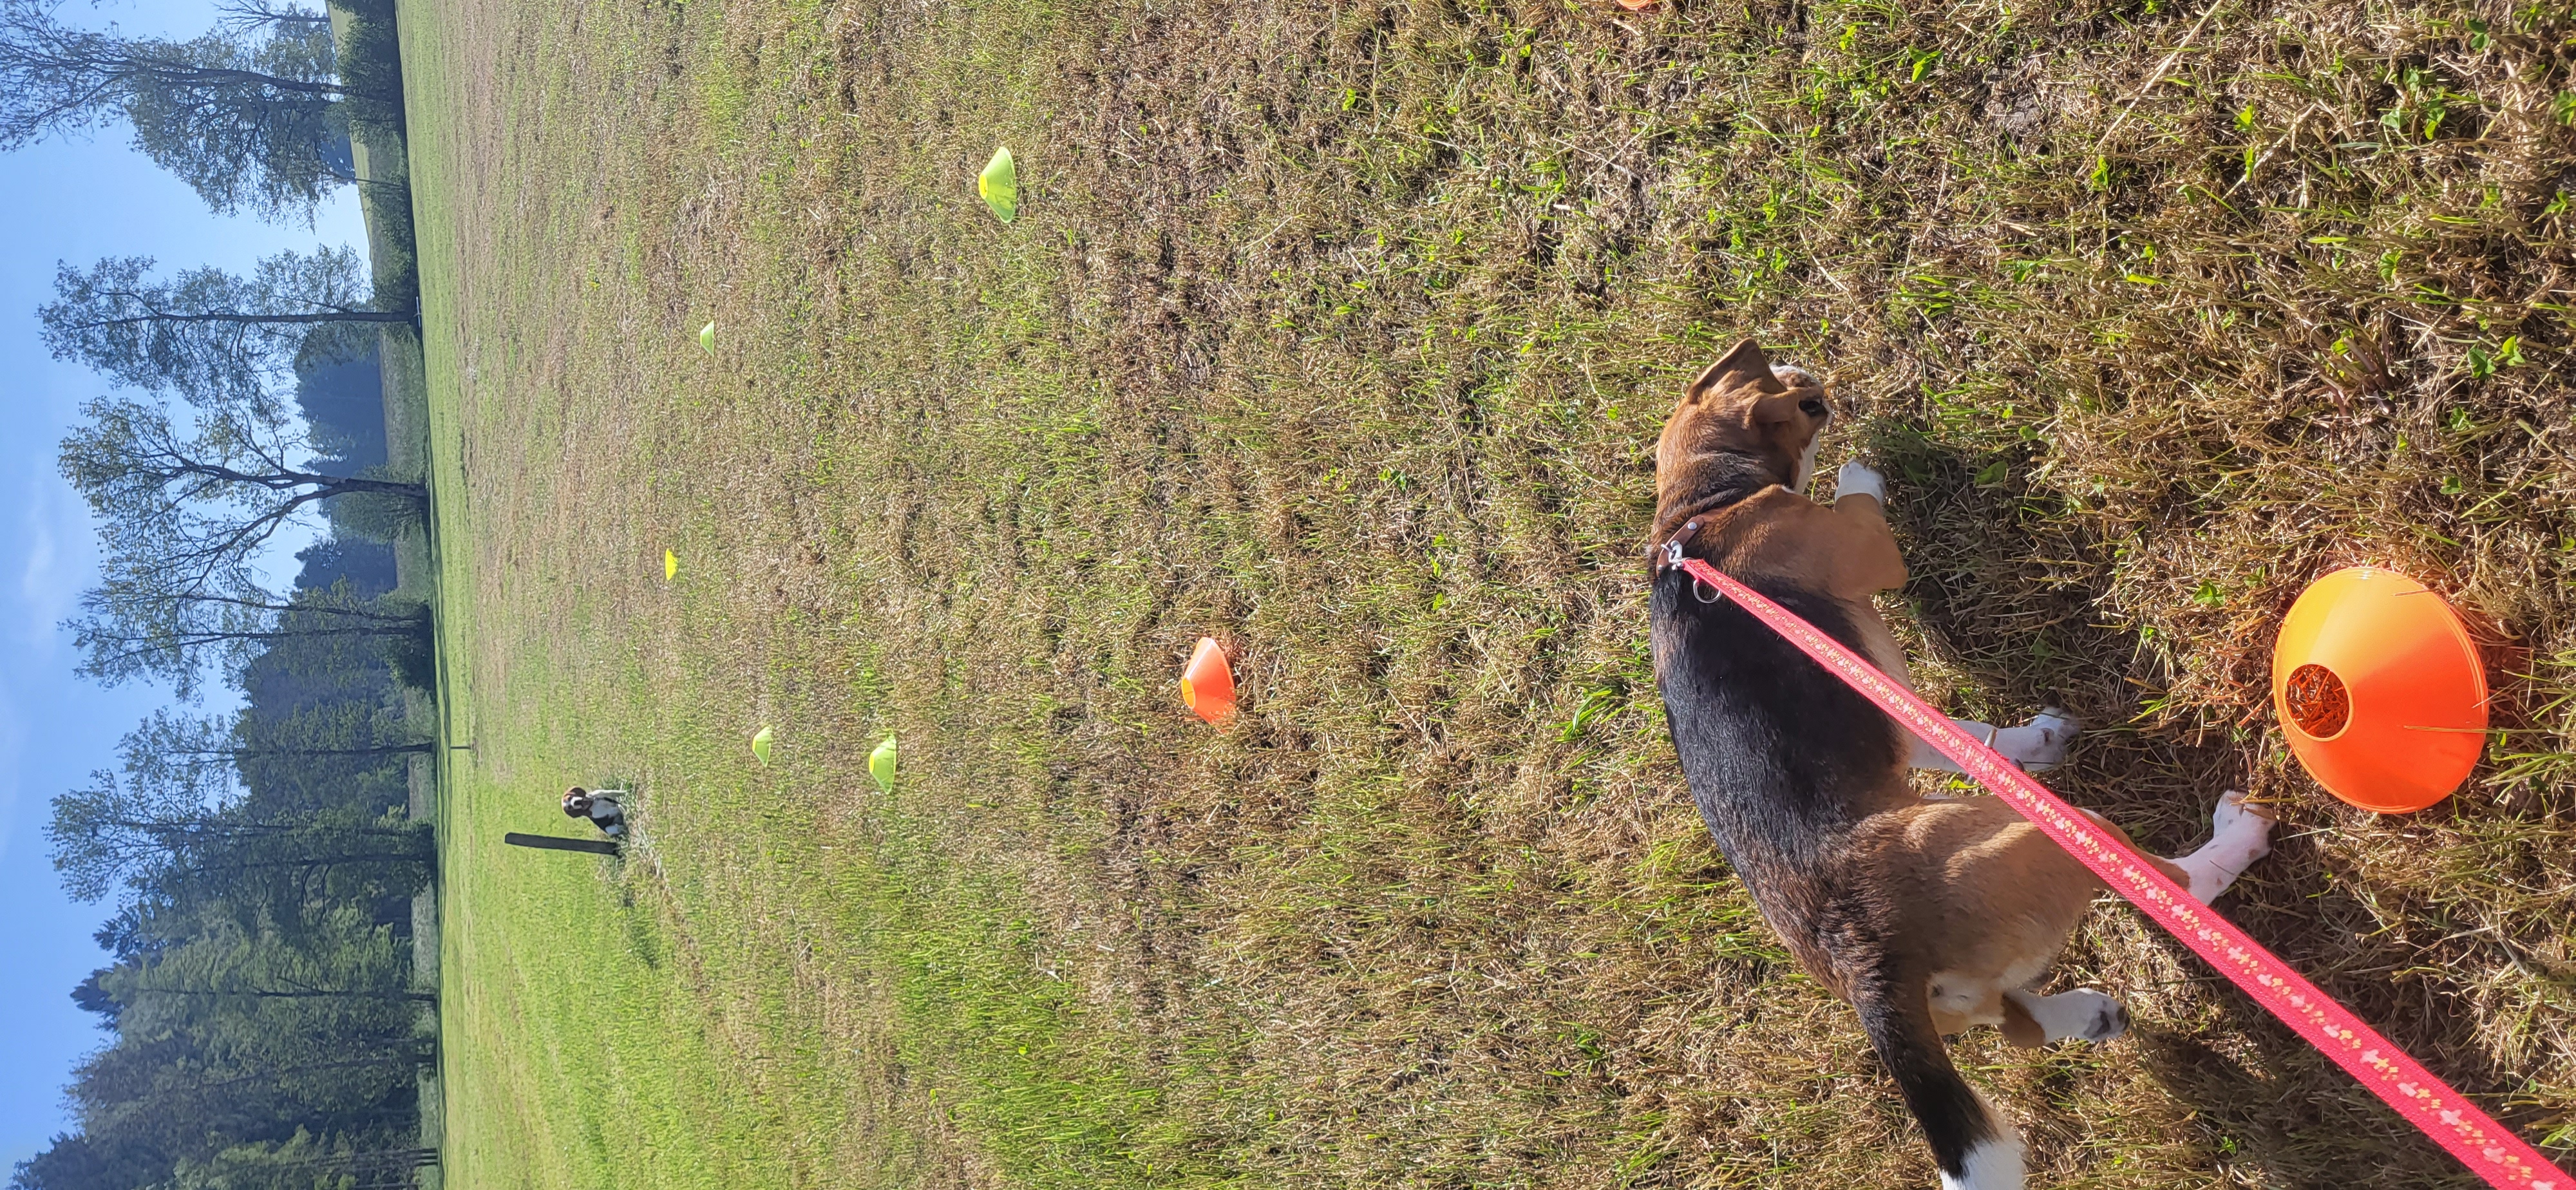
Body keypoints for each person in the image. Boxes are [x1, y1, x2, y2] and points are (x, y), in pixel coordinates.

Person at [562, 786, 629, 838]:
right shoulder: (594, 814)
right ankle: (627, 830)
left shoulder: (594, 795)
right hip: (615, 821)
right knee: (611, 830)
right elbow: (616, 811)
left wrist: (627, 793)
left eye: (570, 798)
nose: (573, 803)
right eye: (570, 807)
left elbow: (611, 794)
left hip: (617, 807)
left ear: (574, 794)